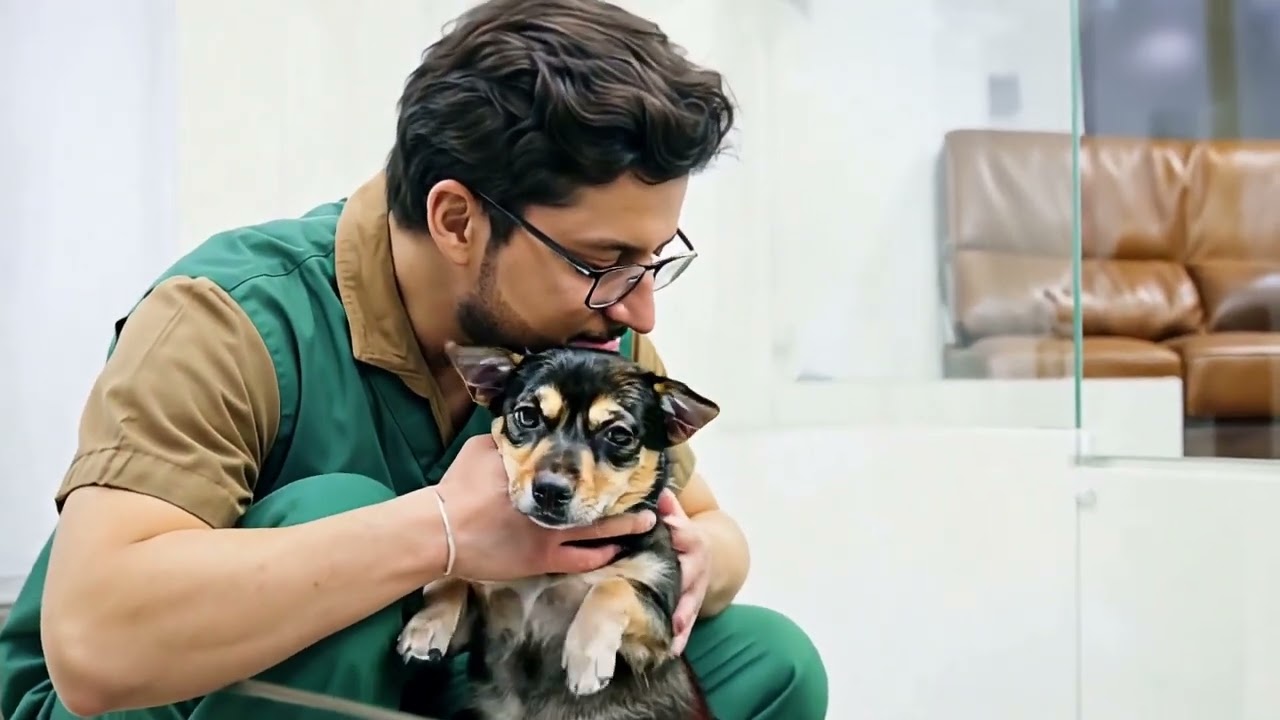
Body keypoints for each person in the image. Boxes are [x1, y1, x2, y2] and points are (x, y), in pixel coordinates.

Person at [0, 1, 828, 718]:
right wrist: (439, 532)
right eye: (601, 261)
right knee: (334, 512)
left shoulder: (585, 337)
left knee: (766, 663)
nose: (639, 309)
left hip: (432, 681)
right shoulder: (227, 317)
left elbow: (711, 529)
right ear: (458, 221)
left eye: (652, 260)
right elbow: (93, 646)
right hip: (146, 707)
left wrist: (685, 563)